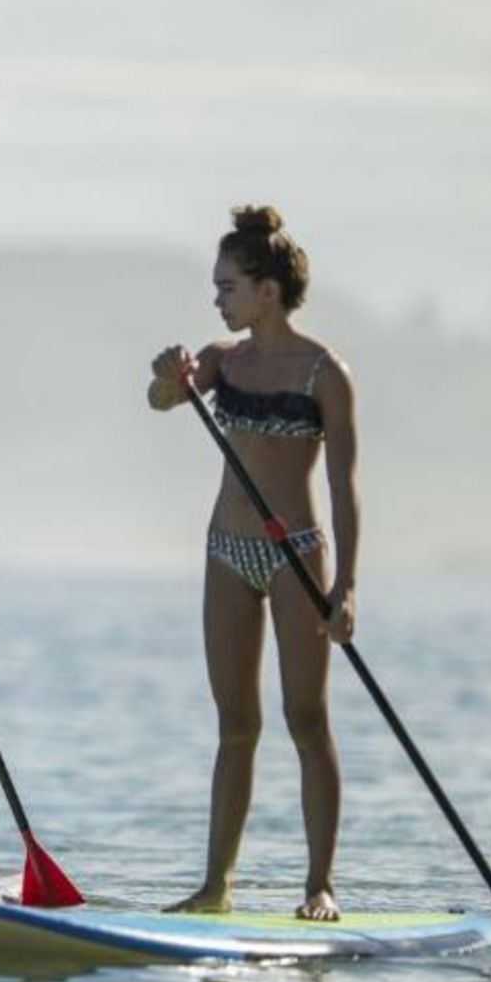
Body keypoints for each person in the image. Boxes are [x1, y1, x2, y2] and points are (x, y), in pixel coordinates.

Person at [146, 205, 360, 921]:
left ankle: (318, 887)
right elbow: (162, 400)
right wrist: (167, 377)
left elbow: (343, 490)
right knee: (235, 724)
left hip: (297, 554)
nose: (217, 299)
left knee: (306, 719)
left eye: (228, 286)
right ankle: (215, 886)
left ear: (268, 290)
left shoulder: (324, 374)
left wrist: (344, 588)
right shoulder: (222, 361)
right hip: (226, 552)